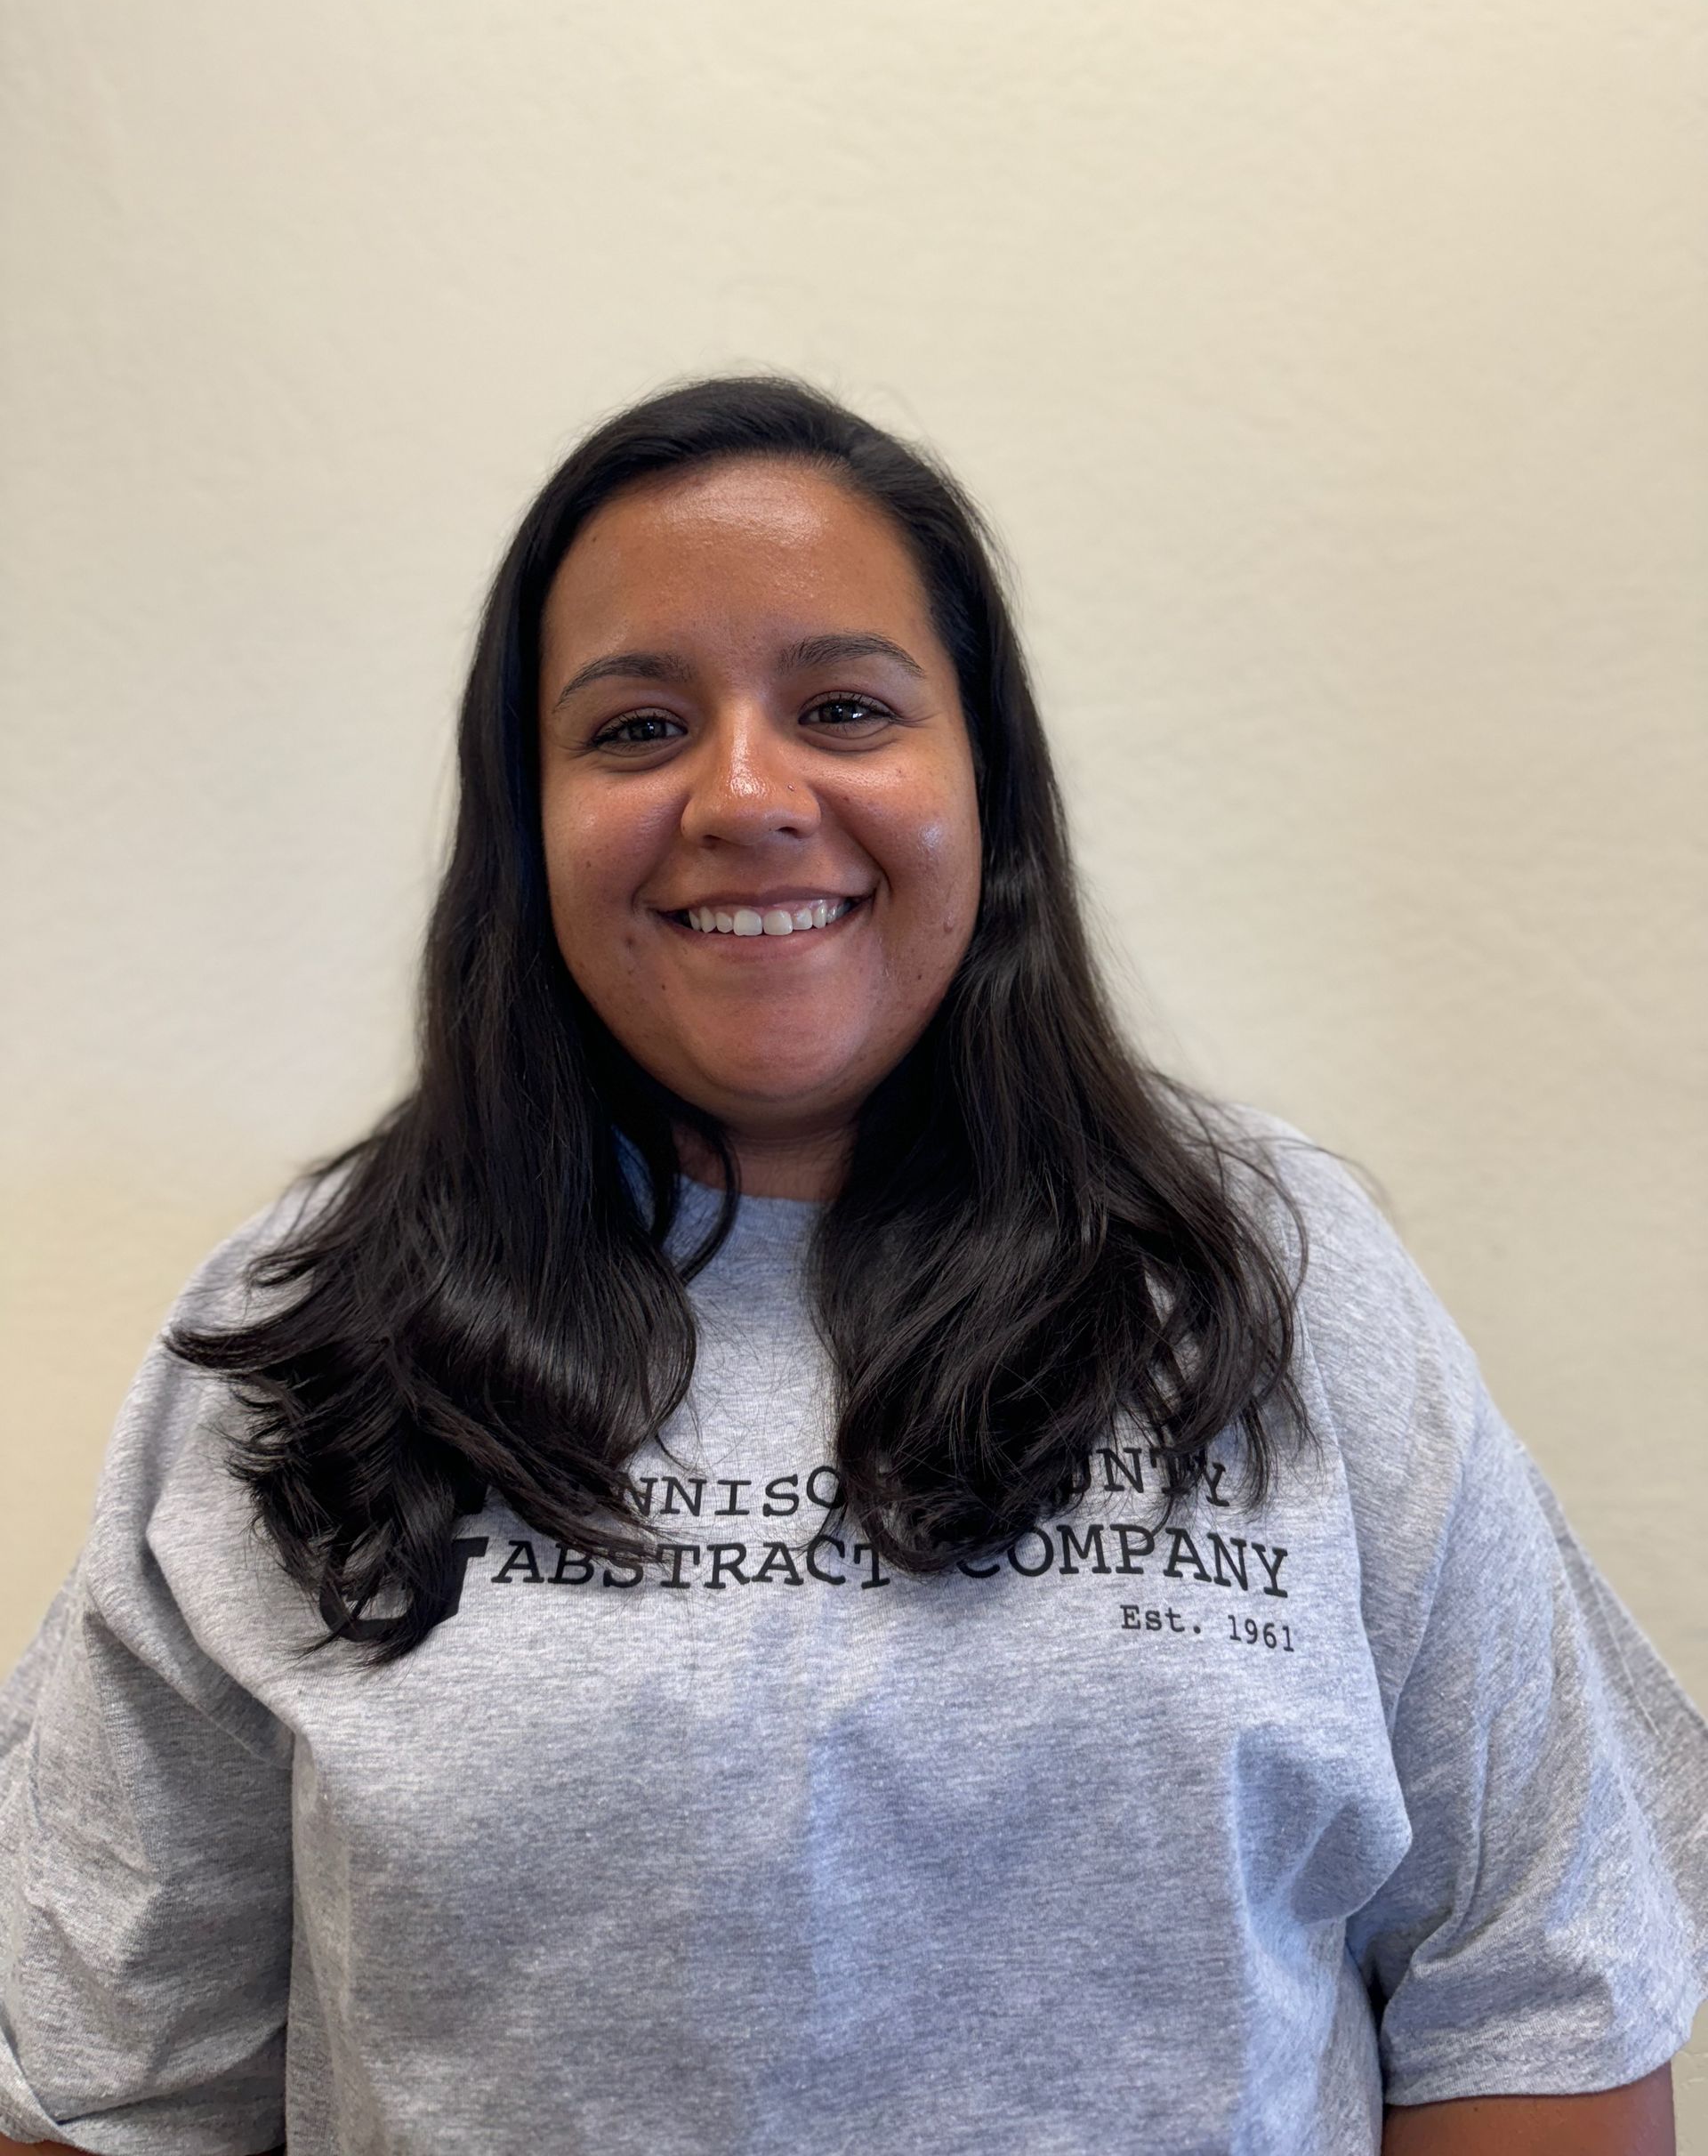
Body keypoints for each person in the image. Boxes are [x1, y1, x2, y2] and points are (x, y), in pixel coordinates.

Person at [0, 375, 1701, 2156]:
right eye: (638, 727)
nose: (746, 792)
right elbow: (114, 2077)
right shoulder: (299, 1341)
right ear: (527, 815)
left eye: (842, 704)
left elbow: (1536, 1996)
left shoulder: (1274, 1282)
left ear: (986, 781)